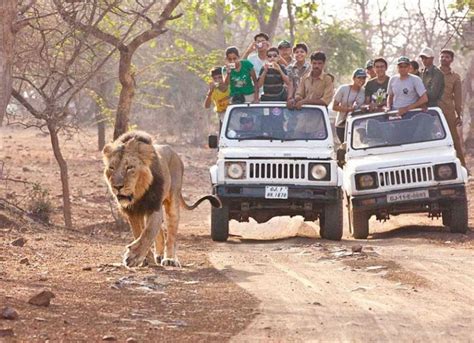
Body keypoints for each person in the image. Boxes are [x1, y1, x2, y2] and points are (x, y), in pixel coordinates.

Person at [438, 49, 466, 167]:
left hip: (448, 111)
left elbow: (458, 98)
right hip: (432, 112)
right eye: (442, 56)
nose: (444, 59)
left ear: (451, 60)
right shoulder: (432, 73)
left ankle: (462, 166)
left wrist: (459, 115)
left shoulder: (455, 77)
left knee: (454, 139)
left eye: (447, 57)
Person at [332, 68, 367, 142]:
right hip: (341, 124)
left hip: (356, 125)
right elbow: (334, 106)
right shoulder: (343, 89)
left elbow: (365, 105)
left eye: (364, 78)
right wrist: (348, 109)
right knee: (344, 146)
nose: (361, 80)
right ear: (353, 78)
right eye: (359, 77)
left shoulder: (364, 91)